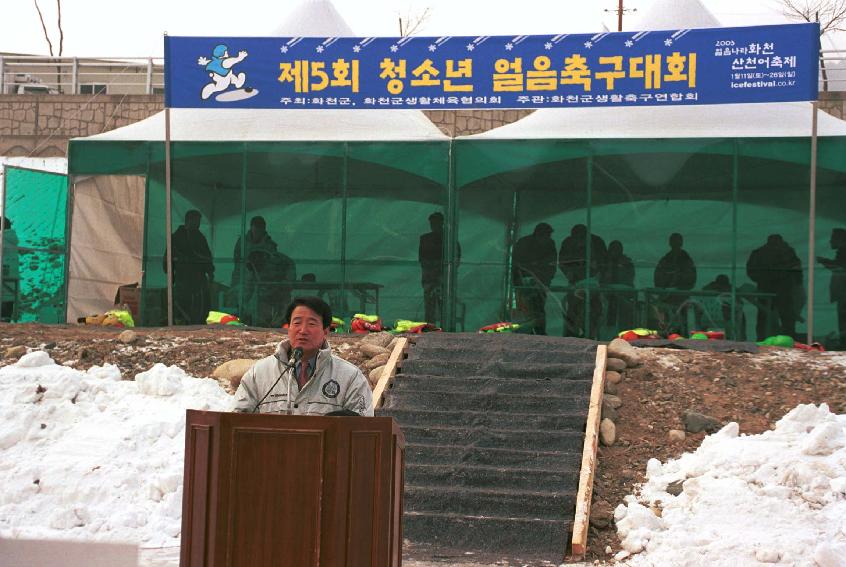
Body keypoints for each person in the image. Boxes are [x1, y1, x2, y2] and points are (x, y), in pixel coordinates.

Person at [234, 296, 374, 416]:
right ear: (288, 328)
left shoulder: (350, 377)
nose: (303, 330)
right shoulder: (259, 373)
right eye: (297, 323)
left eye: (311, 323)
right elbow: (235, 420)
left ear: (325, 331)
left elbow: (364, 427)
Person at [232, 216, 296, 326]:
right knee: (244, 298)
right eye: (256, 228)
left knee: (261, 305)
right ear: (251, 227)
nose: (258, 231)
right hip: (247, 275)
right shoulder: (242, 243)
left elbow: (273, 262)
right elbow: (237, 261)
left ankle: (264, 322)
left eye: (260, 229)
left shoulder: (269, 244)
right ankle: (242, 316)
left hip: (263, 280)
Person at [746, 234, 803, 340]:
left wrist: (765, 279)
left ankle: (781, 340)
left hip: (779, 290)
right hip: (772, 290)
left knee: (782, 318)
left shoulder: (787, 252)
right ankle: (784, 340)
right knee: (769, 317)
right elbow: (797, 270)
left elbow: (797, 269)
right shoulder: (785, 251)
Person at [163, 210, 214, 325]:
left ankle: (198, 324)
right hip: (183, 278)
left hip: (198, 279)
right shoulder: (176, 237)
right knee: (182, 305)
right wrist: (171, 274)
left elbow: (207, 256)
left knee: (202, 305)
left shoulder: (200, 237)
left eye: (199, 221)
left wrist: (210, 271)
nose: (198, 224)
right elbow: (168, 258)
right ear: (189, 221)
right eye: (196, 221)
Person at [558, 224, 607, 338]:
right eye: (577, 237)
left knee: (594, 309)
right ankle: (572, 334)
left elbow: (604, 261)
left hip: (593, 282)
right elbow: (562, 261)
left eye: (582, 236)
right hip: (575, 282)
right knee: (573, 310)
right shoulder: (568, 242)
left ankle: (592, 334)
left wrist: (598, 273)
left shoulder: (597, 242)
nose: (579, 239)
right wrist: (569, 273)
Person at [511, 223, 557, 335]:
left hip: (540, 283)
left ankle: (539, 332)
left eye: (549, 235)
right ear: (538, 235)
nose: (548, 238)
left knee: (539, 308)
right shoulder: (524, 243)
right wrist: (520, 280)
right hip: (523, 283)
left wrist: (545, 280)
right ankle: (526, 332)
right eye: (546, 235)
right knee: (525, 309)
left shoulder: (550, 245)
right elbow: (516, 264)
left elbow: (552, 264)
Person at [418, 212, 460, 326]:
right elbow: (422, 259)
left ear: (442, 223)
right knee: (430, 310)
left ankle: (444, 330)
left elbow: (456, 260)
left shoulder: (449, 240)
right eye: (432, 223)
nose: (433, 225)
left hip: (444, 281)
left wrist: (443, 276)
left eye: (436, 223)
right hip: (430, 280)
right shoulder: (425, 239)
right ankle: (430, 330)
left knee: (444, 310)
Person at [652, 233, 697, 334]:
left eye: (678, 241)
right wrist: (665, 287)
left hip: (682, 296)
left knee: (684, 317)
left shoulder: (686, 259)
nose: (676, 243)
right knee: (660, 313)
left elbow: (691, 277)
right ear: (670, 243)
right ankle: (665, 333)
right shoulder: (665, 259)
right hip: (666, 297)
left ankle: (684, 334)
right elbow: (658, 277)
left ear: (681, 242)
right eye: (673, 240)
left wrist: (680, 283)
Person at [817, 228, 846, 348]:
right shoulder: (842, 252)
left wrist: (824, 261)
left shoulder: (844, 252)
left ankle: (844, 344)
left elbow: (840, 267)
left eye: (833, 238)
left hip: (844, 293)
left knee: (843, 320)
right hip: (842, 293)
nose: (830, 241)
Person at [697, 274, 747, 341]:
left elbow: (739, 304)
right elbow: (739, 304)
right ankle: (740, 339)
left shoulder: (730, 290)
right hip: (718, 317)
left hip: (718, 317)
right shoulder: (727, 290)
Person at [600, 240, 636, 332]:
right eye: (613, 249)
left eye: (617, 249)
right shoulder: (604, 263)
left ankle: (624, 331)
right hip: (605, 296)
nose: (615, 252)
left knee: (625, 312)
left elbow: (629, 280)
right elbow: (600, 279)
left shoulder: (627, 262)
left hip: (623, 296)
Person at [1, 216, 20, 322]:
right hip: (11, 280)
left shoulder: (2, 239)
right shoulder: (12, 239)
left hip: (2, 278)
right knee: (7, 313)